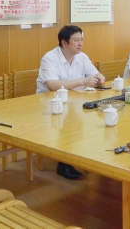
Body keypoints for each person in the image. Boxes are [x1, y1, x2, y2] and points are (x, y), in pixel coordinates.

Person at [36, 25, 105, 180]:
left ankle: (88, 157)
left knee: (93, 120)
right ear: (64, 42)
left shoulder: (82, 57)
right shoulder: (50, 58)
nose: (80, 43)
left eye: (82, 40)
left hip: (75, 102)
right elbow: (52, 85)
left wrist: (100, 78)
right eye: (76, 40)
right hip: (50, 104)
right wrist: (83, 81)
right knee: (70, 124)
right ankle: (64, 163)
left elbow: (95, 74)